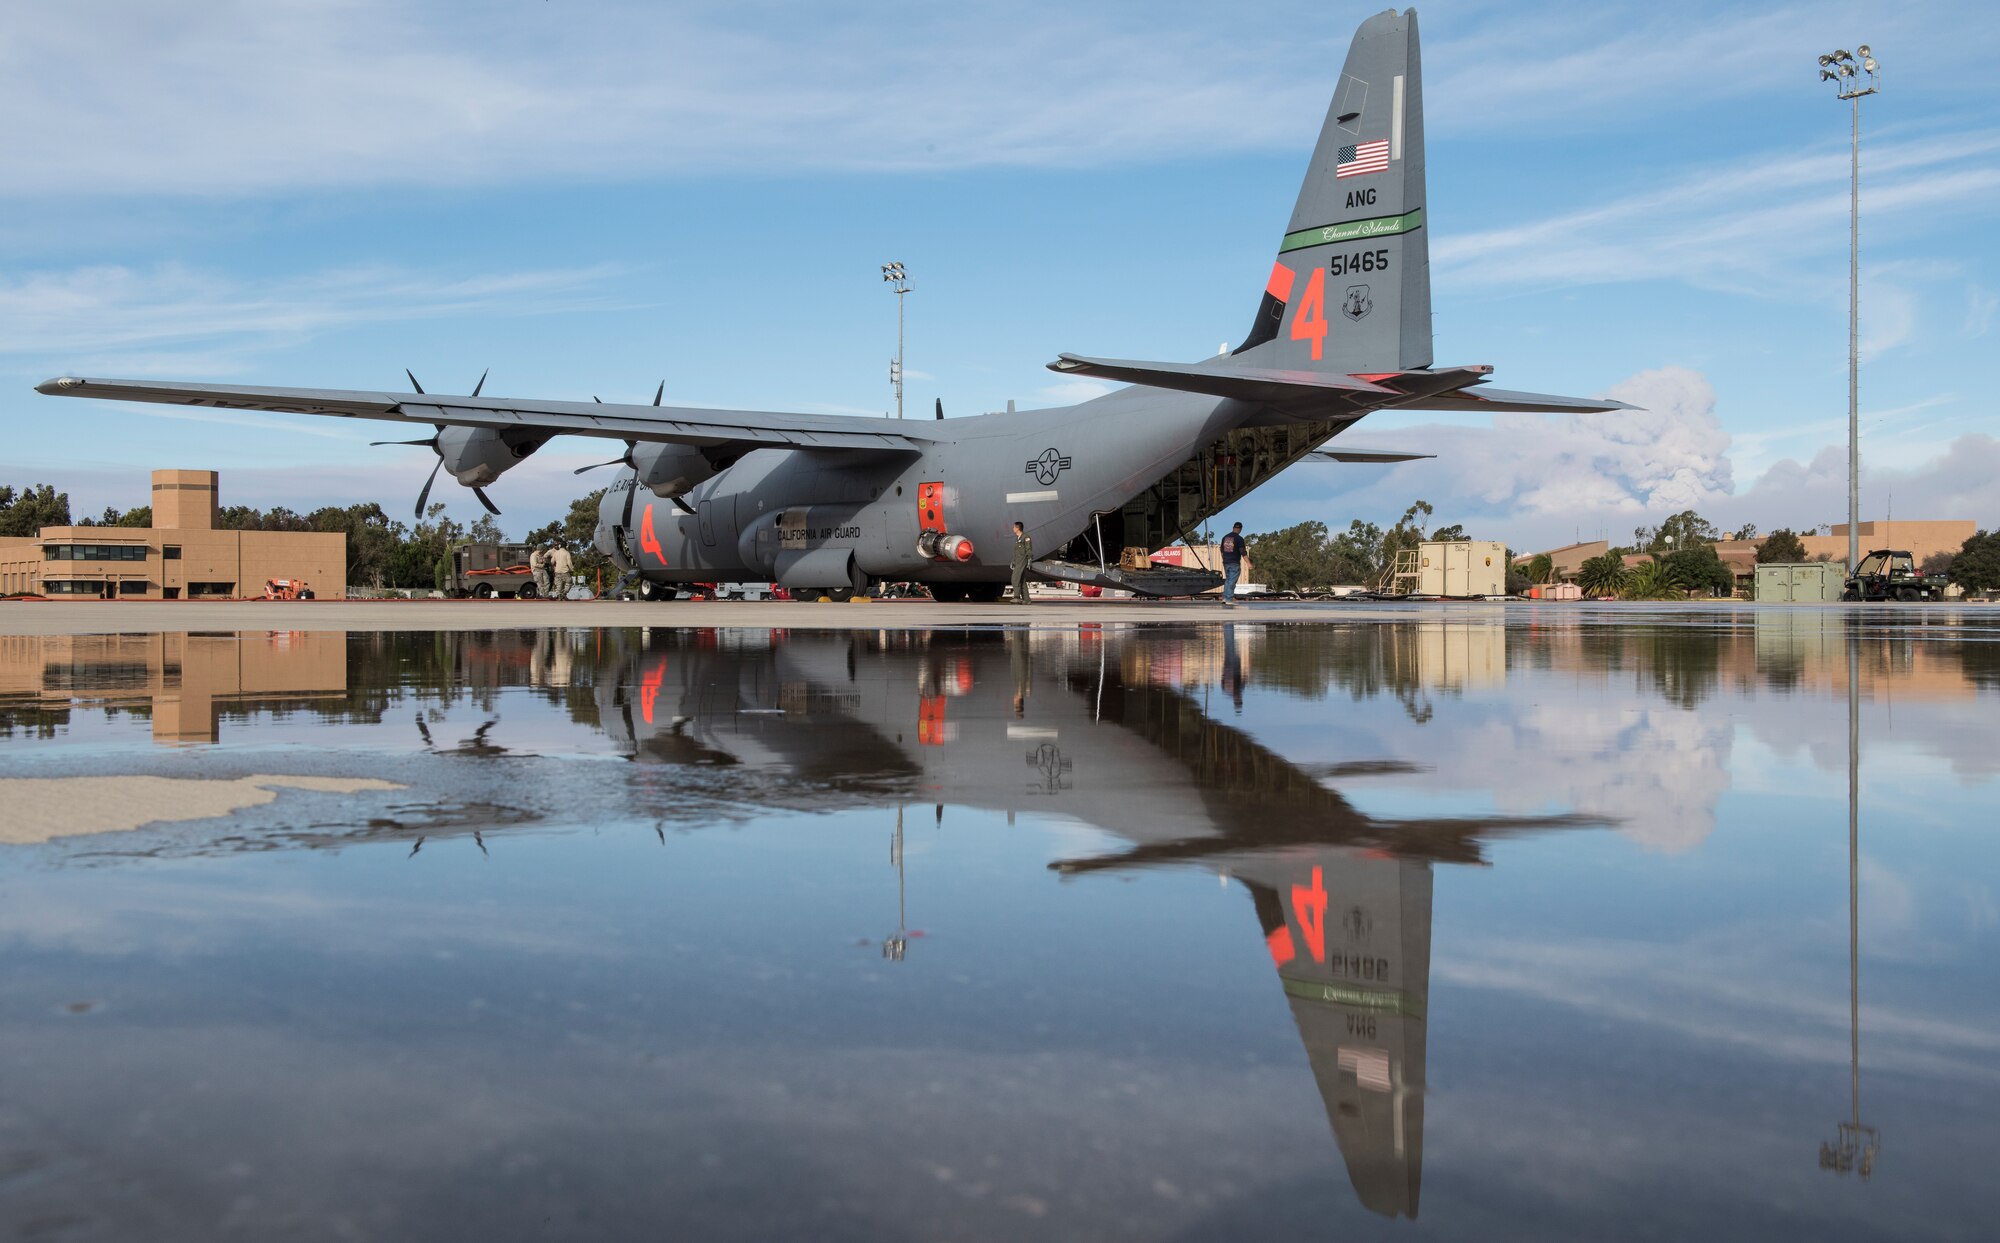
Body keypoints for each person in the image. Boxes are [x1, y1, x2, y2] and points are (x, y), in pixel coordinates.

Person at [1219, 522, 1246, 607]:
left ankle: (1225, 598)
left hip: (1226, 562)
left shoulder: (1226, 538)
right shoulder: (1239, 539)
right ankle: (1229, 599)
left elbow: (1222, 550)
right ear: (1240, 529)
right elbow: (1242, 552)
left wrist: (1225, 559)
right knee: (1232, 581)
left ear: (1233, 528)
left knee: (1228, 580)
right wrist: (1249, 563)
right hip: (1234, 562)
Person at [1009, 521, 1033, 604]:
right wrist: (1014, 561)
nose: (1013, 529)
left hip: (1023, 560)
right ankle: (1026, 599)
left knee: (1015, 578)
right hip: (1018, 561)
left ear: (1017, 528)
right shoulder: (1018, 539)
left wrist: (1029, 559)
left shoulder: (1025, 537)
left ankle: (1016, 597)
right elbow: (1016, 552)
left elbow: (1028, 549)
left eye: (1014, 527)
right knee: (1022, 580)